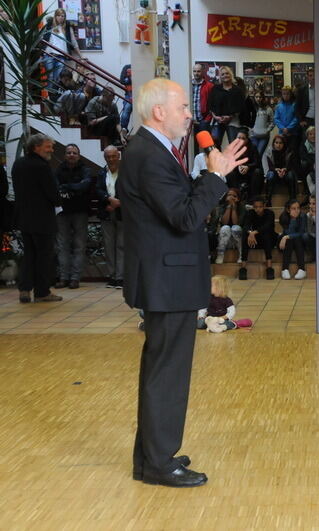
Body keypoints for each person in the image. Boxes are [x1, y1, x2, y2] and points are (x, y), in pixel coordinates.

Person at [118, 78, 247, 487]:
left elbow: (176, 203)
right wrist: (215, 178)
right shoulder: (149, 154)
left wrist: (213, 175)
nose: (190, 114)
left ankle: (152, 456)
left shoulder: (154, 150)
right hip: (165, 280)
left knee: (162, 370)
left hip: (165, 278)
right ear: (159, 112)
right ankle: (159, 464)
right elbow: (185, 217)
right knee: (167, 374)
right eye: (183, 108)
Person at [12, 134, 62, 303]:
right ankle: (42, 292)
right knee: (44, 256)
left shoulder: (18, 164)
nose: (51, 150)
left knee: (29, 255)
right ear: (36, 147)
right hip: (42, 218)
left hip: (24, 218)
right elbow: (52, 193)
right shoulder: (42, 166)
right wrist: (58, 200)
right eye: (48, 147)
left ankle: (24, 290)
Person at [54, 143, 91, 289]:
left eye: (74, 153)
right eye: (69, 152)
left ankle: (75, 278)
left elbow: (85, 185)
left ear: (79, 155)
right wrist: (75, 187)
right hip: (62, 212)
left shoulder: (85, 170)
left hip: (80, 211)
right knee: (62, 245)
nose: (71, 155)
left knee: (79, 245)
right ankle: (63, 277)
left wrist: (67, 187)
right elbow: (55, 187)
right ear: (65, 155)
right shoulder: (58, 170)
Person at [96, 145, 124, 289]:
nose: (111, 159)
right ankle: (111, 276)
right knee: (109, 246)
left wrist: (118, 203)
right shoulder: (101, 172)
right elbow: (97, 190)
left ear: (118, 156)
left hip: (123, 213)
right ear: (105, 158)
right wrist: (108, 200)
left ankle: (121, 277)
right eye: (108, 157)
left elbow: (131, 189)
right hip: (106, 212)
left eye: (113, 156)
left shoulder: (127, 171)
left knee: (121, 245)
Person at [42, 8, 80, 91]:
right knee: (50, 77)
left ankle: (54, 99)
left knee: (58, 79)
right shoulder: (49, 26)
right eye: (58, 15)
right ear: (55, 16)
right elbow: (42, 38)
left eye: (62, 16)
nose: (60, 17)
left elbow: (73, 42)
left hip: (61, 57)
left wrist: (81, 56)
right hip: (49, 55)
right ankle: (49, 100)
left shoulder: (67, 28)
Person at [209, 66, 246, 146]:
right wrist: (215, 117)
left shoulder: (238, 90)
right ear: (220, 76)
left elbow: (241, 107)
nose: (225, 75)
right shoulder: (215, 89)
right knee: (214, 146)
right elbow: (210, 104)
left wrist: (230, 117)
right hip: (217, 121)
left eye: (227, 73)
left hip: (233, 122)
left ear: (231, 75)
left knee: (233, 146)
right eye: (222, 74)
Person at [241, 196, 276, 280]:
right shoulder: (250, 213)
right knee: (245, 235)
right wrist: (250, 233)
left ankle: (269, 268)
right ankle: (243, 268)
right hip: (255, 241)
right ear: (253, 207)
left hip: (270, 239)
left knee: (266, 234)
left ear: (264, 206)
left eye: (260, 207)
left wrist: (254, 232)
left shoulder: (270, 213)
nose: (258, 209)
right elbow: (245, 226)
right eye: (256, 207)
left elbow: (268, 226)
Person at [211, 188, 246, 265]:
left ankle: (241, 254)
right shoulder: (221, 207)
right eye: (229, 195)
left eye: (234, 196)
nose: (231, 197)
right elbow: (224, 222)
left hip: (237, 239)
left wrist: (234, 207)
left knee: (235, 228)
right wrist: (229, 206)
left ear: (238, 198)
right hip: (224, 239)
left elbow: (236, 223)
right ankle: (220, 254)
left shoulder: (242, 207)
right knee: (225, 227)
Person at [278, 199, 308, 280]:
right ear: (288, 210)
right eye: (293, 208)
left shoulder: (303, 216)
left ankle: (302, 269)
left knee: (296, 238)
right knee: (290, 239)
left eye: (298, 208)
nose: (297, 210)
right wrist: (293, 220)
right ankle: (285, 269)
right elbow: (288, 232)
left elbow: (301, 232)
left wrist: (286, 237)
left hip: (299, 242)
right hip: (287, 243)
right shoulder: (283, 217)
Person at [264, 134, 297, 206]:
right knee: (270, 175)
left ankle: (293, 200)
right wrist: (276, 170)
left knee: (291, 175)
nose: (278, 145)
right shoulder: (270, 151)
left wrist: (285, 169)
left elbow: (291, 165)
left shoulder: (289, 151)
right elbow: (270, 167)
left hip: (286, 172)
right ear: (273, 143)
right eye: (276, 142)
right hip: (275, 172)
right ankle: (268, 200)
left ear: (284, 143)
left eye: (280, 143)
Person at [226, 129, 260, 194]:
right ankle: (235, 195)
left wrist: (248, 167)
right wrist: (238, 166)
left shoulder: (253, 147)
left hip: (250, 171)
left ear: (247, 140)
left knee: (257, 172)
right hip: (237, 172)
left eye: (243, 138)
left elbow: (257, 162)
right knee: (229, 172)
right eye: (238, 138)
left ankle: (252, 198)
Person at [190, 63, 214, 141]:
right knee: (192, 145)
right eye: (194, 71)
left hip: (203, 120)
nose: (196, 73)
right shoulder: (189, 84)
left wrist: (207, 119)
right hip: (191, 120)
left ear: (203, 72)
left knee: (206, 143)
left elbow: (213, 104)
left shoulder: (209, 86)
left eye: (198, 71)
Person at [249, 92, 275, 161]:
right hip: (254, 136)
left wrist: (268, 130)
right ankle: (258, 171)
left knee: (258, 155)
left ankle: (258, 171)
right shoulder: (252, 108)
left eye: (260, 97)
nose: (258, 99)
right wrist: (251, 129)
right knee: (254, 156)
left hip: (264, 136)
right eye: (256, 97)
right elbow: (248, 120)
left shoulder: (268, 109)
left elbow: (273, 121)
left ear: (263, 98)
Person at [299, 126, 317, 196]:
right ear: (307, 136)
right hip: (309, 165)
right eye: (310, 134)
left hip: (318, 164)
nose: (313, 136)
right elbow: (304, 156)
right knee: (304, 164)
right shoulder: (304, 144)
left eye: (315, 134)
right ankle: (306, 188)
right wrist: (313, 164)